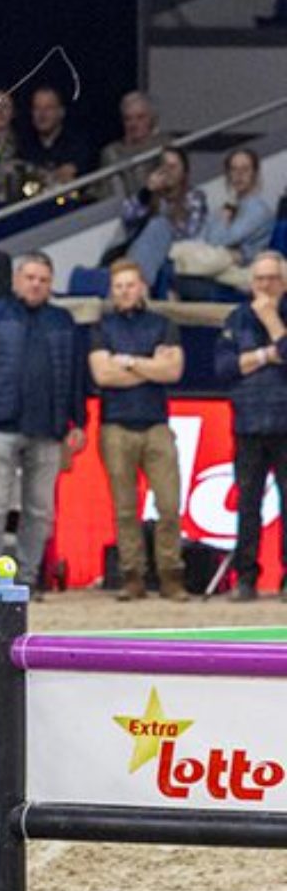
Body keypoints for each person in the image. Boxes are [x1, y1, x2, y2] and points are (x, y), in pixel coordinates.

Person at [0, 252, 86, 590]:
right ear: (16, 280)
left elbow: (76, 375)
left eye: (43, 279)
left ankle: (27, 580)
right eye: (30, 277)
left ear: (51, 284)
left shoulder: (63, 321)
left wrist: (79, 422)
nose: (36, 284)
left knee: (40, 511)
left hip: (49, 430)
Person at [86, 260, 188, 601]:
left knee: (169, 504)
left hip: (157, 424)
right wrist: (150, 365)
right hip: (115, 425)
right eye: (118, 287)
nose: (125, 292)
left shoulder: (164, 324)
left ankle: (171, 574)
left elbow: (173, 371)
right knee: (124, 508)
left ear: (142, 286)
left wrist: (127, 362)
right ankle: (133, 576)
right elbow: (102, 375)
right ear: (111, 292)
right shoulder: (102, 327)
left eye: (130, 285)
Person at [215, 251, 287, 600]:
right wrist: (267, 355)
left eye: (272, 278)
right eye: (259, 279)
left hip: (285, 424)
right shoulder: (236, 318)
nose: (264, 285)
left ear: (283, 282)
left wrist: (273, 321)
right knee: (247, 505)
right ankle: (245, 577)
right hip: (247, 423)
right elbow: (224, 368)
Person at [179, 148, 275, 291]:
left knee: (176, 267)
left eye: (245, 169)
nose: (239, 175)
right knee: (177, 256)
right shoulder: (226, 208)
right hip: (217, 264)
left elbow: (219, 241)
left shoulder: (258, 209)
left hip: (241, 272)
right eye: (234, 169)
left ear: (254, 174)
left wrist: (223, 218)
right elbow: (200, 239)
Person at [116, 145, 205, 289]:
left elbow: (190, 235)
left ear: (184, 173)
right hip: (136, 250)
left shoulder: (194, 197)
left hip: (172, 252)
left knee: (159, 225)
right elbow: (127, 217)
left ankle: (138, 286)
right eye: (164, 167)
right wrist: (147, 191)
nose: (167, 172)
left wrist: (168, 217)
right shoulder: (149, 195)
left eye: (173, 167)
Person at [99, 91, 165, 198]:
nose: (133, 124)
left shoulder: (164, 144)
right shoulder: (111, 152)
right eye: (128, 119)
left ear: (152, 120)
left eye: (140, 117)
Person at [21, 85, 88, 188]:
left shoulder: (77, 146)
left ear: (61, 112)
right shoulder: (23, 147)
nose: (42, 114)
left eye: (48, 108)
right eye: (37, 108)